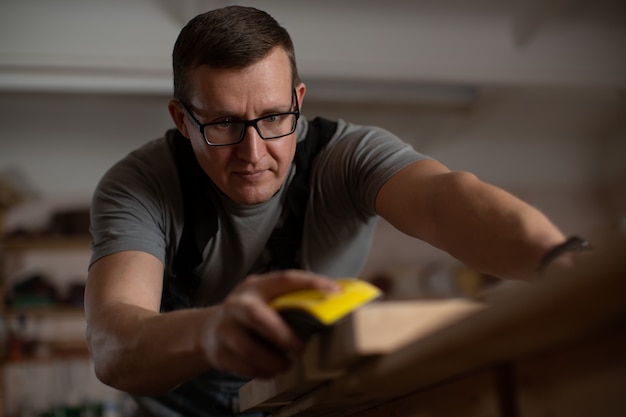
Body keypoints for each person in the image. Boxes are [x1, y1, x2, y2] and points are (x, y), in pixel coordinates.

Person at [84, 5, 587, 417]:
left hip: (304, 397)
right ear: (181, 118)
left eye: (275, 117)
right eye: (222, 125)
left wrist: (560, 263)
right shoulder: (139, 187)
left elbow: (443, 201)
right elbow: (113, 344)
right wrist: (210, 332)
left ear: (298, 101)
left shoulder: (347, 158)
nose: (254, 153)